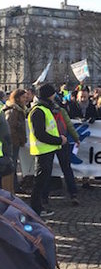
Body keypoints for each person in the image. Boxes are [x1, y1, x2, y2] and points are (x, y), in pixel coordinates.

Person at [27, 84, 65, 218]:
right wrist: (59, 140)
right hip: (43, 150)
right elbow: (41, 134)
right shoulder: (39, 111)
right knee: (39, 182)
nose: (55, 96)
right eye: (53, 94)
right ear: (49, 95)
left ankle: (38, 207)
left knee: (42, 181)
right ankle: (36, 209)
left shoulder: (44, 109)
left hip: (47, 150)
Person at [3, 89, 28, 192]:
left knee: (13, 165)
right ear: (17, 98)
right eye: (23, 97)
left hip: (15, 142)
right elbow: (9, 127)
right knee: (11, 165)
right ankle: (12, 187)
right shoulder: (13, 110)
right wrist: (17, 140)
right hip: (12, 143)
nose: (26, 99)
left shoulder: (19, 110)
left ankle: (14, 186)